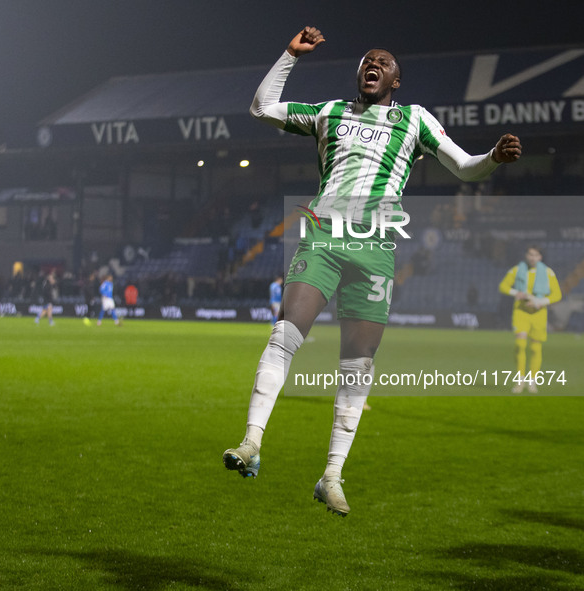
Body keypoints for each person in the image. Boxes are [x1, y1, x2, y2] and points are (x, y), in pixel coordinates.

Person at [223, 27, 522, 516]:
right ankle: (252, 440)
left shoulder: (415, 121)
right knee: (285, 334)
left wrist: (493, 158)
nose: (372, 64)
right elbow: (261, 108)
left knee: (357, 361)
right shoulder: (329, 112)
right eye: (366, 60)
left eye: (382, 62)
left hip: (376, 246)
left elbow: (465, 168)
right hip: (324, 235)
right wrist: (289, 56)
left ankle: (331, 476)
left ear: (396, 80)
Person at [498, 246, 561, 394]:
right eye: (530, 254)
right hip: (521, 310)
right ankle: (520, 379)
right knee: (520, 344)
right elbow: (503, 286)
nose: (532, 257)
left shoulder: (547, 272)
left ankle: (532, 380)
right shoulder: (517, 269)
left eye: (536, 255)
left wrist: (539, 302)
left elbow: (557, 294)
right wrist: (516, 292)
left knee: (535, 347)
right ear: (526, 255)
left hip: (538, 312)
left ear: (540, 257)